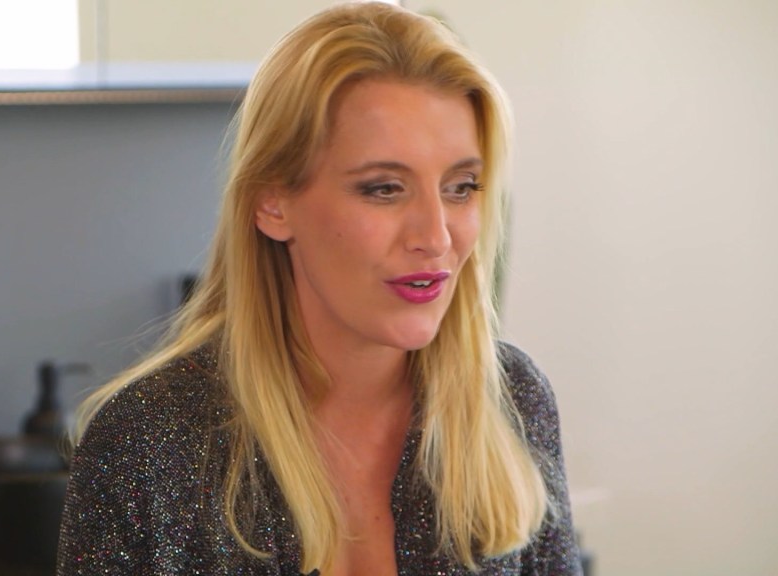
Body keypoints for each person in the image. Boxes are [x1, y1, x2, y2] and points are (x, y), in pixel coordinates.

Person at [57, 2, 581, 575]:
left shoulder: (512, 401)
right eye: (384, 189)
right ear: (272, 202)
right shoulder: (150, 442)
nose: (435, 237)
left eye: (461, 187)